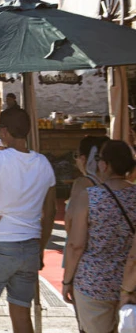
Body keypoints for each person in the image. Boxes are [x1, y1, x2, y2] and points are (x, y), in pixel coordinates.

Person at [0, 107, 57, 333]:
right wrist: (40, 248)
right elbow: (50, 213)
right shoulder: (43, 163)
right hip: (30, 246)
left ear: (4, 131)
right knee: (21, 313)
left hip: (0, 244)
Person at [63, 140, 136, 333]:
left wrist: (67, 281)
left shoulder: (90, 196)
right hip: (130, 283)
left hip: (93, 281)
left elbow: (75, 245)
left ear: (104, 164)